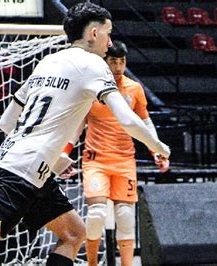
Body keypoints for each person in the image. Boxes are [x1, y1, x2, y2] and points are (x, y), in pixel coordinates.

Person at [0, 2, 170, 266]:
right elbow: (127, 120)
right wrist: (157, 146)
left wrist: (53, 158)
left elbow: (6, 122)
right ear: (94, 34)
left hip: (28, 165)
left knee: (74, 233)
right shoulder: (93, 65)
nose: (110, 43)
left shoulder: (48, 61)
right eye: (108, 34)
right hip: (23, 172)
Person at [63, 40, 170, 266]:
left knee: (125, 216)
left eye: (122, 62)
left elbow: (145, 122)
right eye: (114, 61)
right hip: (96, 160)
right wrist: (66, 151)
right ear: (105, 61)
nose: (119, 67)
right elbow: (78, 124)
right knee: (96, 215)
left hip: (124, 161)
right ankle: (92, 264)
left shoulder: (134, 88)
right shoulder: (92, 88)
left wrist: (156, 150)